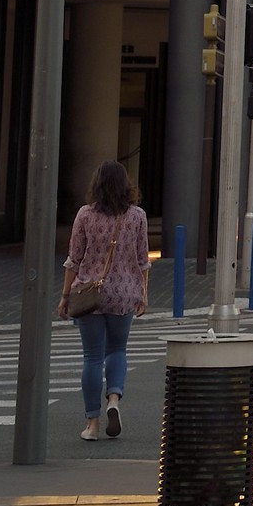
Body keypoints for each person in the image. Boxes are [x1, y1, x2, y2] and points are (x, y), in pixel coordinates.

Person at [58, 161, 149, 442]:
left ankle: (92, 424)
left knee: (92, 357)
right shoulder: (137, 216)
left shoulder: (85, 215)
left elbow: (74, 260)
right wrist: (143, 293)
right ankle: (114, 399)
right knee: (118, 349)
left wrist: (65, 296)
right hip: (123, 292)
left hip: (90, 293)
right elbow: (143, 260)